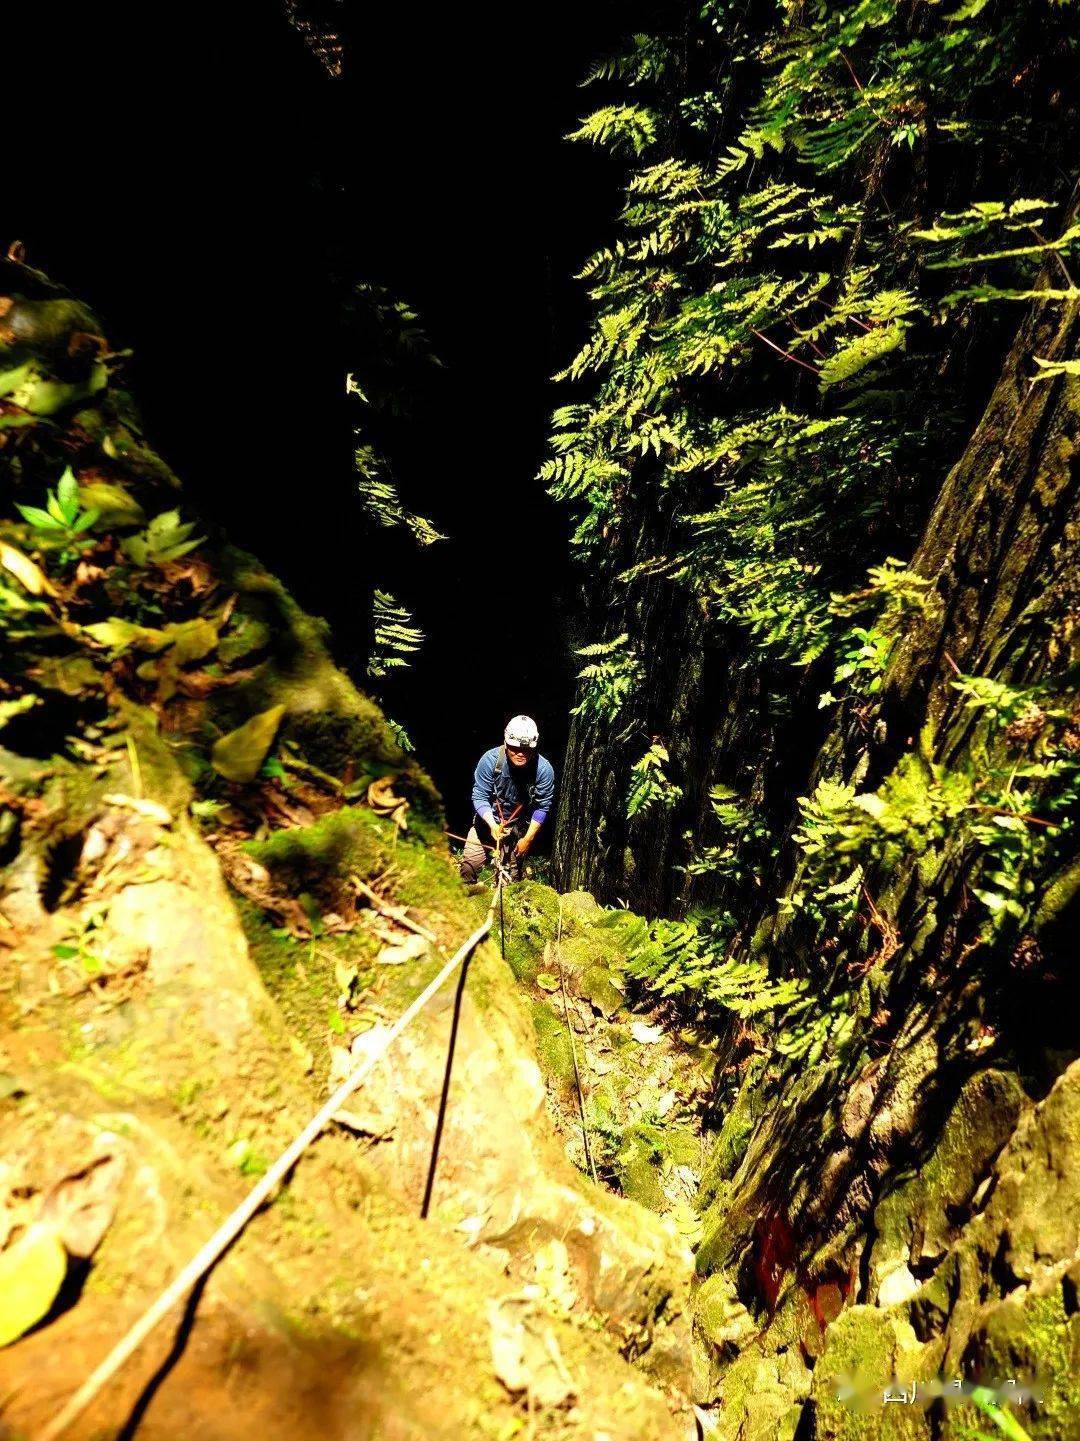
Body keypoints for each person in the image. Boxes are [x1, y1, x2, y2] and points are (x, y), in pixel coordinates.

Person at [459, 715, 555, 884]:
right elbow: (480, 795)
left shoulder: (543, 770)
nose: (520, 753)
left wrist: (528, 839)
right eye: (514, 748)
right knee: (468, 868)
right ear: (505, 743)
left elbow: (542, 806)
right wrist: (492, 824)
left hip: (516, 832)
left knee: (509, 883)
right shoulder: (490, 761)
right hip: (486, 823)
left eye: (526, 749)